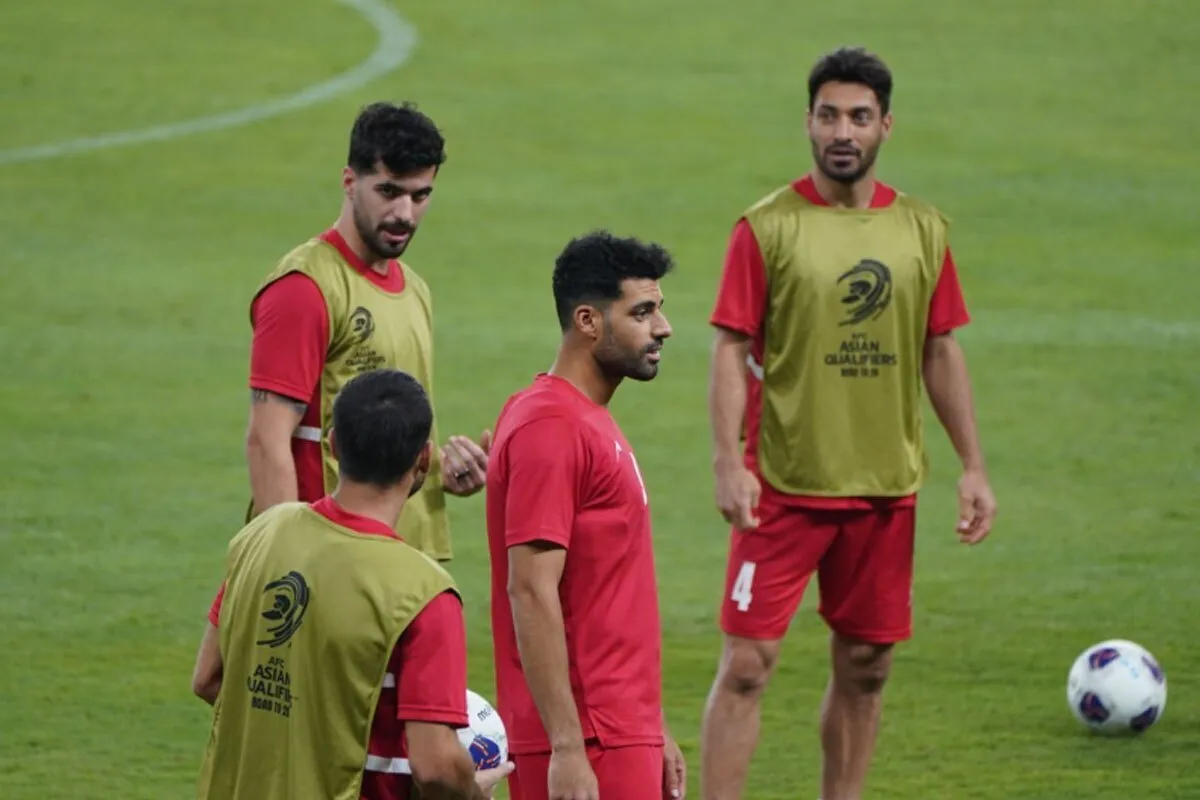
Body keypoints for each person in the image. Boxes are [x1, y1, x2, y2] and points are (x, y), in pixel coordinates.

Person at [699, 46, 998, 800]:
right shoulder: (766, 228)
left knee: (866, 667)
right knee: (746, 666)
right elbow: (730, 346)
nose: (843, 131)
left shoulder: (922, 230)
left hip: (884, 488)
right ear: (808, 120)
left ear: (885, 126)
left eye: (859, 117)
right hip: (782, 485)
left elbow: (940, 348)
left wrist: (973, 466)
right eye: (829, 115)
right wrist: (728, 461)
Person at [192, 368, 512, 799]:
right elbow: (436, 767)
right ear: (424, 458)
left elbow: (208, 678)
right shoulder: (424, 593)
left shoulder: (261, 534)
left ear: (333, 444)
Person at [484, 231, 688, 800]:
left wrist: (652, 723)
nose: (663, 328)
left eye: (659, 309)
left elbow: (607, 587)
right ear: (588, 321)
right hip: (590, 740)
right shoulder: (552, 426)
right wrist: (568, 749)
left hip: (619, 728)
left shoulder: (583, 417)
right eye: (642, 312)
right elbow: (530, 589)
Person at [243, 99, 489, 562]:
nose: (405, 214)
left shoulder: (415, 290)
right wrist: (284, 567)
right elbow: (267, 440)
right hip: (327, 557)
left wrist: (438, 471)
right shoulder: (304, 288)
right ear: (349, 182)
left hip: (404, 558)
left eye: (420, 195)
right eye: (389, 191)